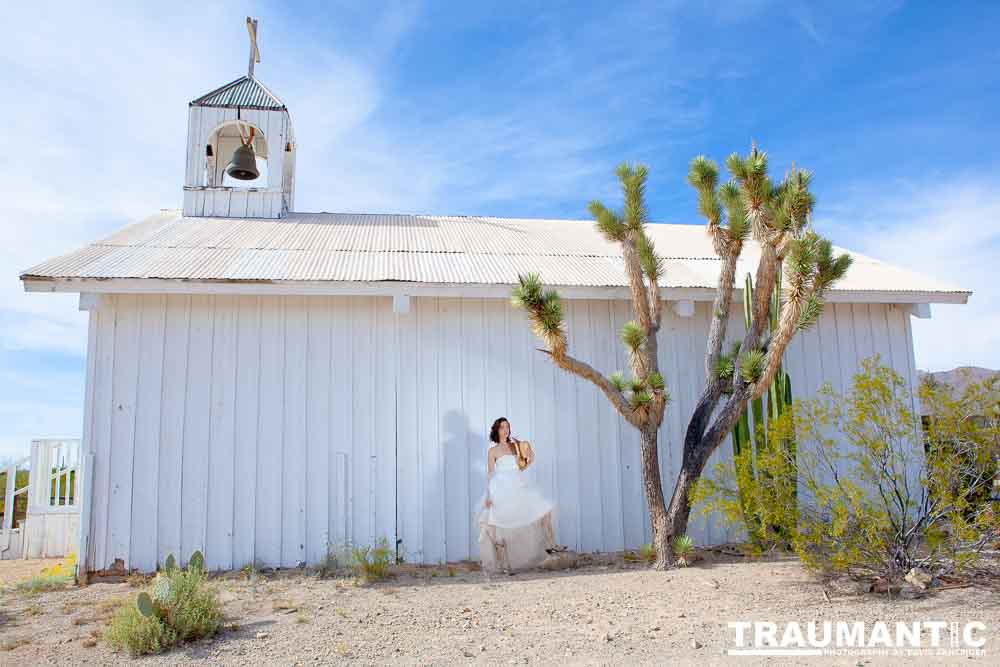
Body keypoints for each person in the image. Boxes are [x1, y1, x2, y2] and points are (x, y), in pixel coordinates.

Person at [476, 417, 566, 573]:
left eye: (507, 427)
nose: (506, 430)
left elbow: (523, 464)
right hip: (501, 487)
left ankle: (550, 545)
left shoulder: (515, 445)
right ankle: (504, 564)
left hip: (518, 483)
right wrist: (489, 496)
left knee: (544, 511)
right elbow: (490, 474)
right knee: (497, 523)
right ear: (496, 430)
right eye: (502, 427)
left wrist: (529, 457)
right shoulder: (493, 451)